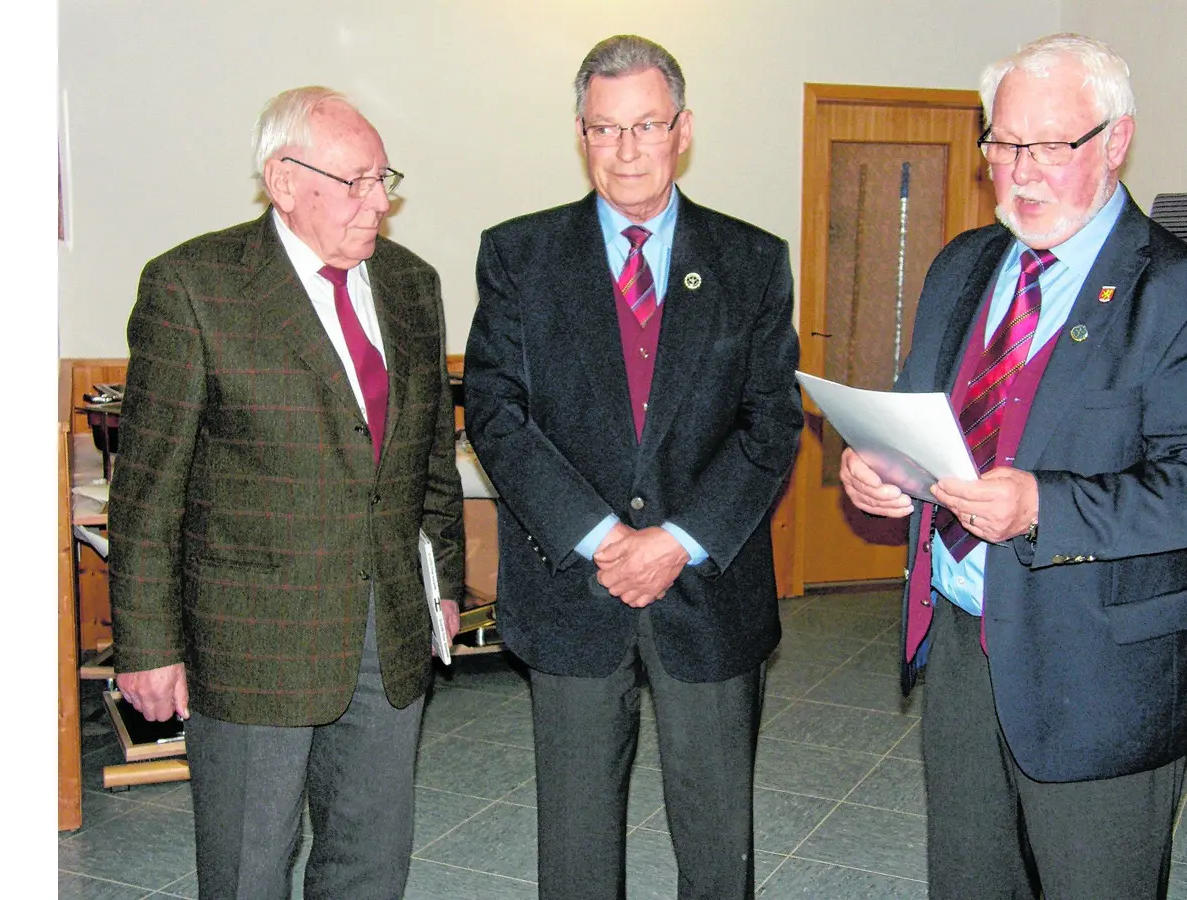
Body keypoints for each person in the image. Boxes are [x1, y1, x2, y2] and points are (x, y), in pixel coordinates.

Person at [839, 33, 1187, 898]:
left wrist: (1042, 508)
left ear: (1115, 141)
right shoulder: (962, 266)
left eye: (1049, 147)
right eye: (1001, 143)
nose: (1019, 172)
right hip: (960, 645)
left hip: (1098, 672)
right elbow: (928, 421)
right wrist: (879, 472)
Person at [462, 34, 803, 900]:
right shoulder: (518, 255)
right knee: (574, 847)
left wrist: (678, 539)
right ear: (580, 133)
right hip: (572, 588)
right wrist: (604, 535)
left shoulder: (752, 261)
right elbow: (498, 416)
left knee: (718, 839)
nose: (625, 151)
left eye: (645, 126)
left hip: (709, 589)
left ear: (682, 129)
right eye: (604, 129)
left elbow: (772, 422)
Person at [107, 86, 464, 900]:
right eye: (355, 182)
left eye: (385, 179)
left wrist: (442, 581)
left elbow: (429, 457)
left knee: (371, 861)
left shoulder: (411, 284)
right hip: (250, 643)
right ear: (283, 179)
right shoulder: (195, 287)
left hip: (388, 628)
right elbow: (148, 494)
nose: (378, 202)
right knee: (248, 868)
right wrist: (147, 643)